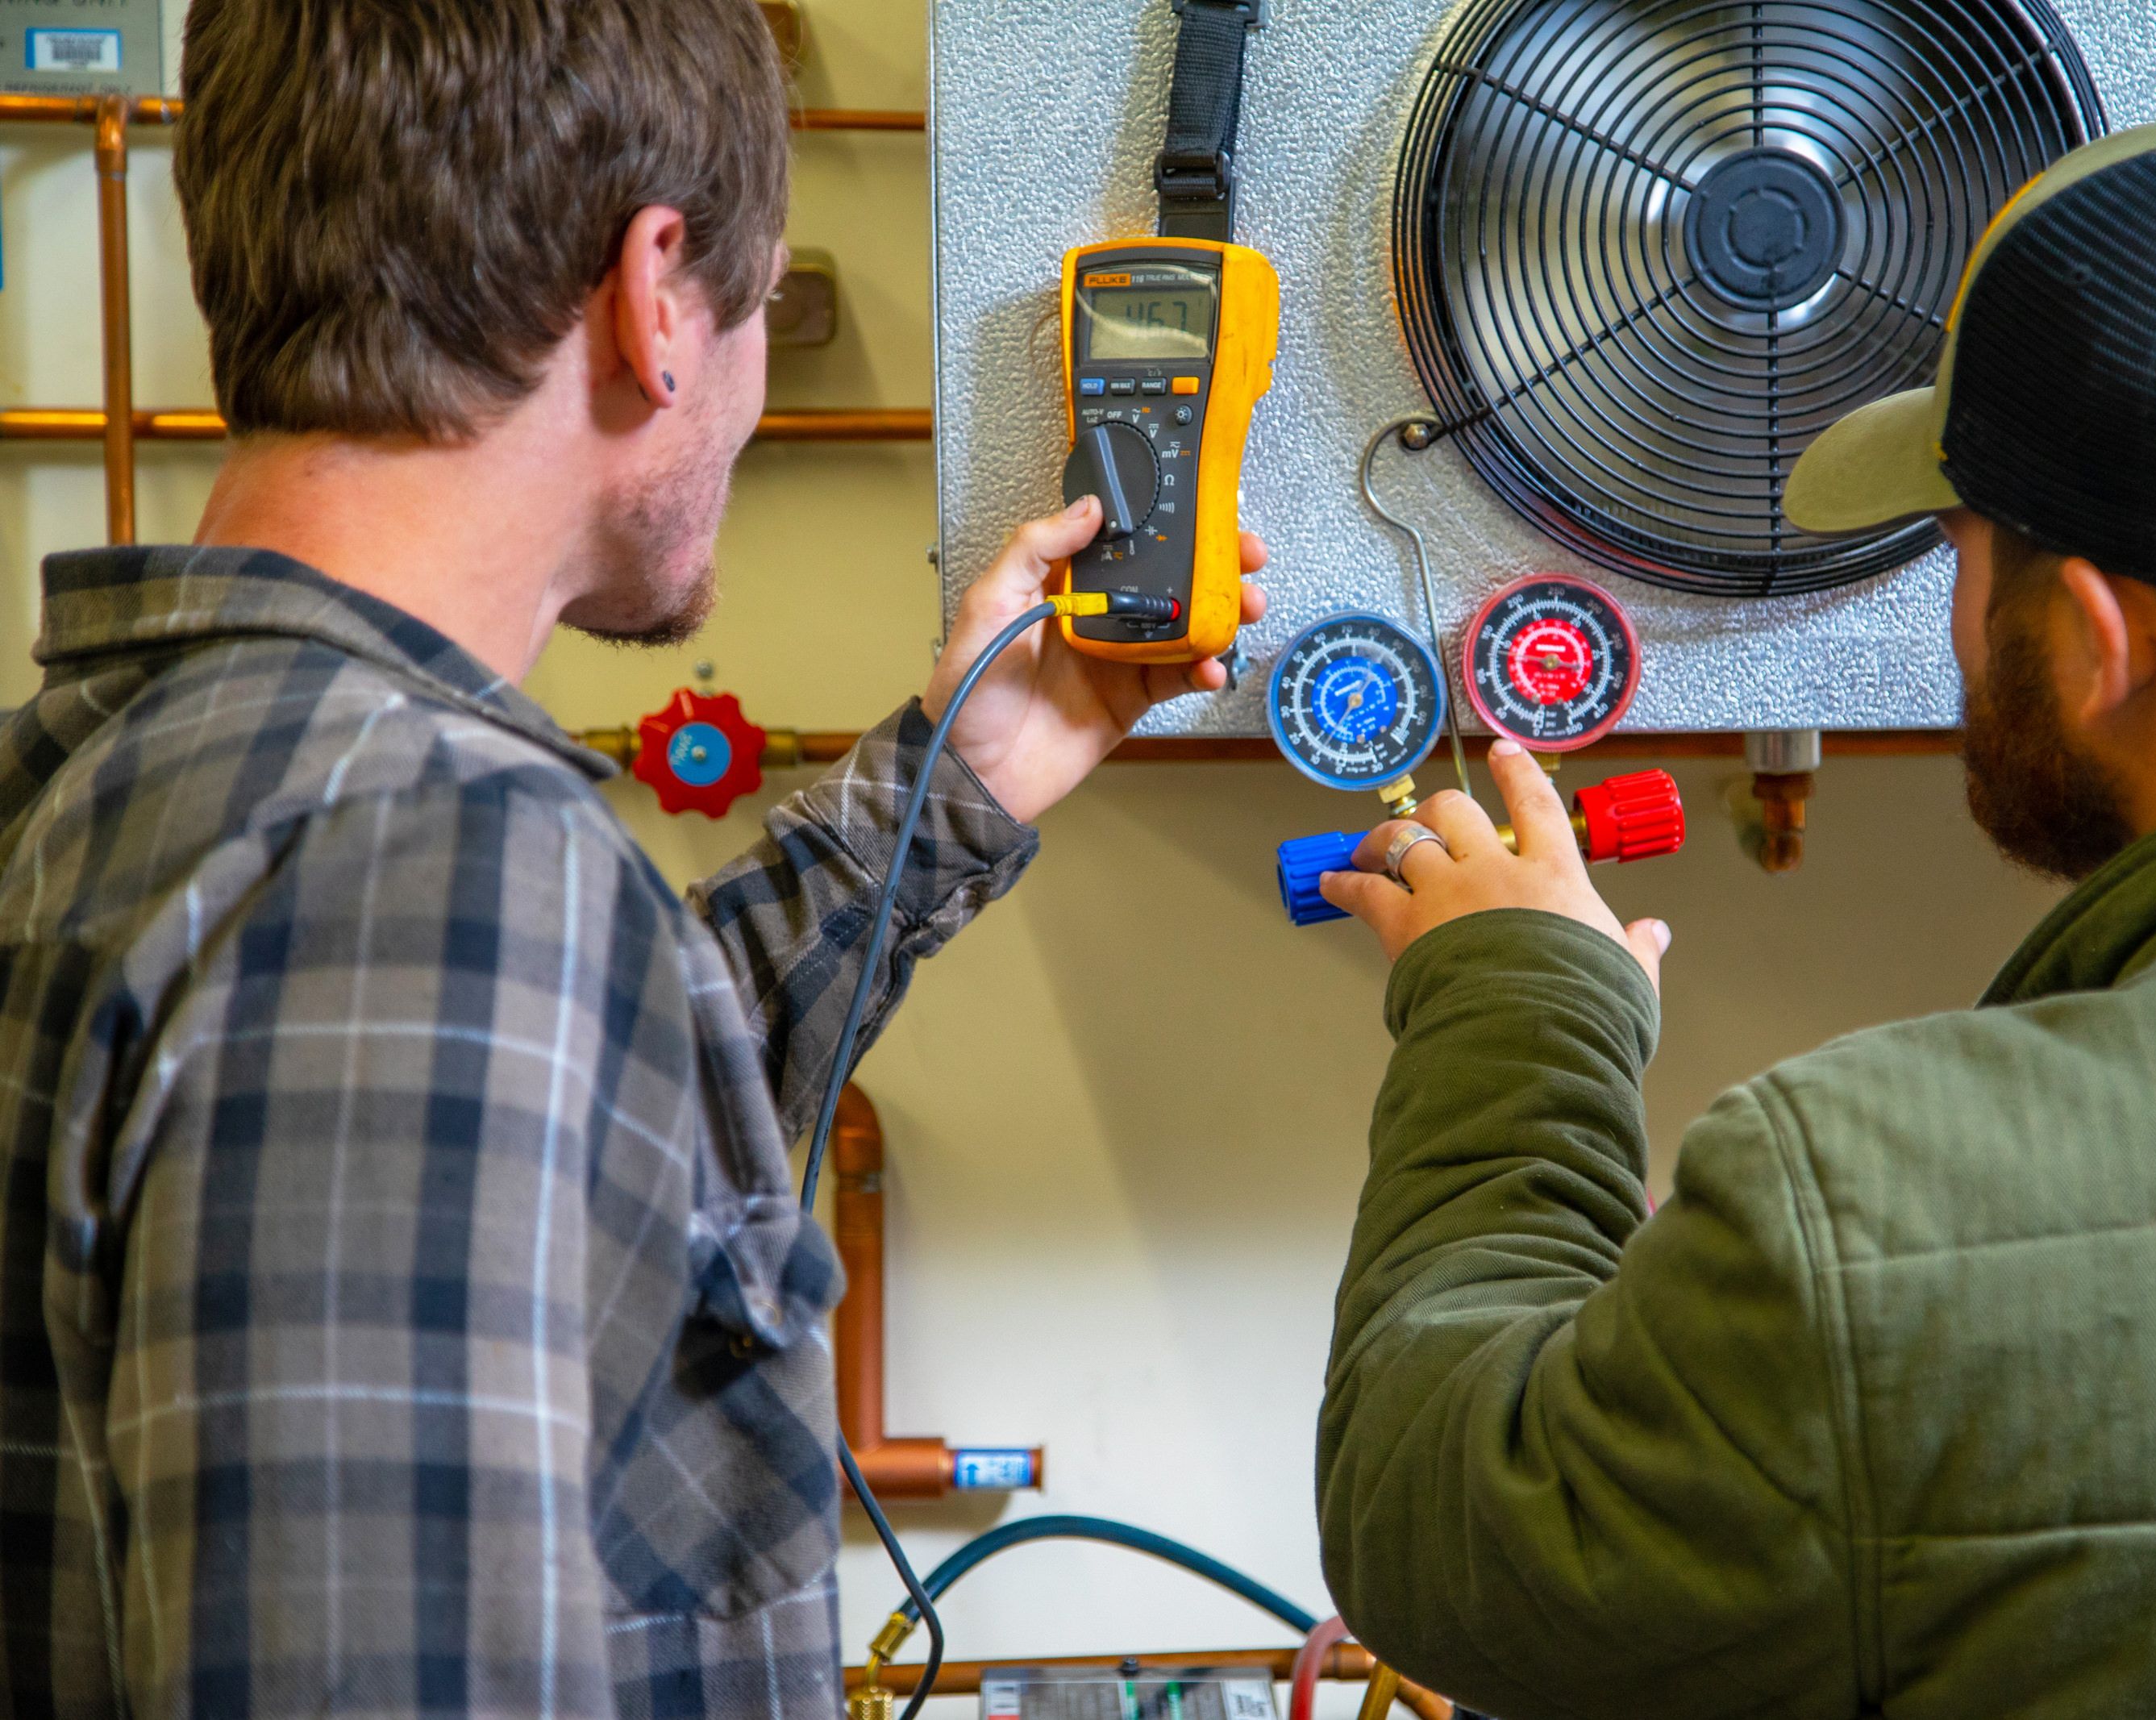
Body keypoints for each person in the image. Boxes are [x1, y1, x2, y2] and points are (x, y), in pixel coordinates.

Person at [0, 2, 1263, 1715]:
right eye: (757, 298)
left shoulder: (120, 769)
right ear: (655, 292)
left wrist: (953, 786)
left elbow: (574, 1157)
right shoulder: (411, 873)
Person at [1312, 111, 2156, 1717]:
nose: (1957, 620)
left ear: (2103, 645)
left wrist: (1515, 1003)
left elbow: (1443, 1529)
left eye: (1962, 549)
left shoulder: (1880, 1204)